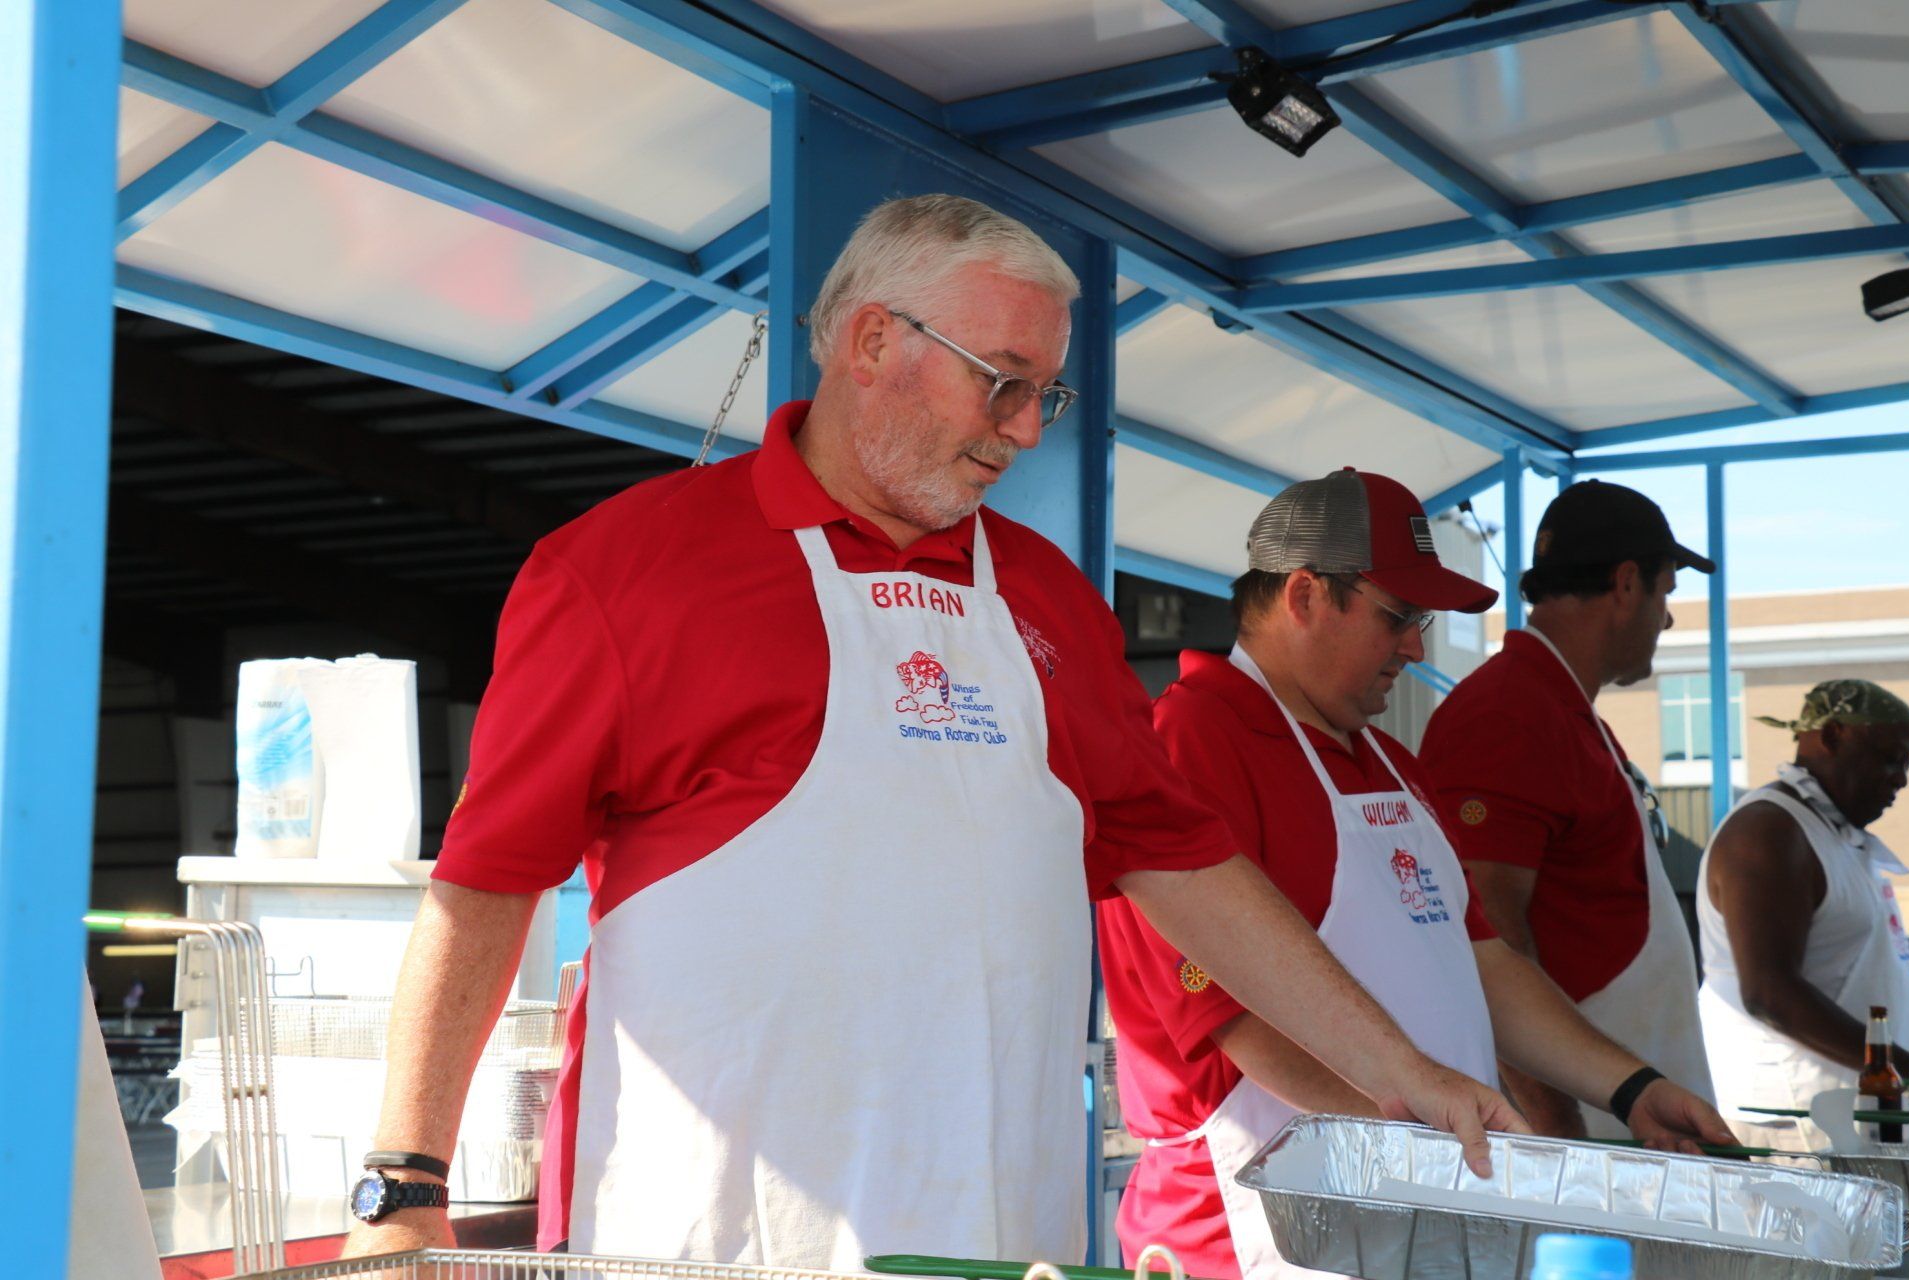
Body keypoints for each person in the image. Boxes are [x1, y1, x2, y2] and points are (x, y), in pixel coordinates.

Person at [343, 196, 1522, 1268]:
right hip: (713, 1234)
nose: (1022, 430)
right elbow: (485, 881)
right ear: (871, 343)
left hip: (1002, 1233)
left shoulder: (1052, 596)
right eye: (999, 381)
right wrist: (406, 1179)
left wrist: (1401, 1071)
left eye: (1045, 395)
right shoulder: (625, 571)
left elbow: (1187, 862)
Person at [1100, 470, 1734, 1280]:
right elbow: (1235, 1020)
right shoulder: (1194, 740)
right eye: (1397, 617)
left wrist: (1631, 1087)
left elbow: (1485, 962)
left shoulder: (1389, 761)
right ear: (1303, 595)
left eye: (1423, 621)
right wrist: (1436, 1147)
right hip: (1263, 1229)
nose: (1417, 648)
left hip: (1422, 1205)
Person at [1419, 480, 1718, 1138]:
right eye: (1667, 591)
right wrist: (1558, 1132)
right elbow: (1486, 932)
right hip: (1588, 1133)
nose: (1667, 619)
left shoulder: (1565, 712)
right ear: (1626, 583)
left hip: (1634, 1116)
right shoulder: (1507, 714)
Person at [1698, 679, 1909, 1149]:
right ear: (1833, 735)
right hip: (1791, 1123)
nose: (1901, 779)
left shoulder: (1838, 833)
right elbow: (1769, 993)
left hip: (1844, 1114)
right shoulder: (1769, 831)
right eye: (1889, 758)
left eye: (1907, 764)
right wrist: (1901, 1065)